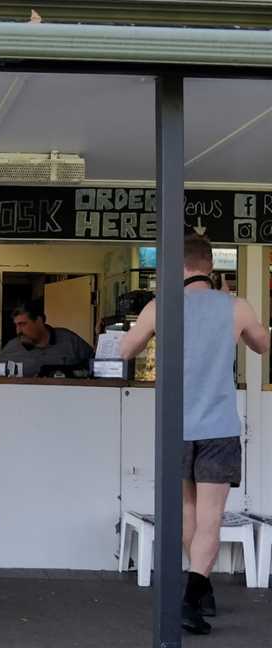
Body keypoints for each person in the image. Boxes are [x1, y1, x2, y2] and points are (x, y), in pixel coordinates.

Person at [120, 234, 269, 635]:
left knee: (188, 512)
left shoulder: (160, 307)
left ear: (175, 268)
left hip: (177, 426)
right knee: (211, 517)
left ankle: (198, 588)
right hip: (219, 426)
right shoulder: (236, 306)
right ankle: (195, 592)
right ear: (210, 265)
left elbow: (124, 351)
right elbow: (262, 345)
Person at [0, 301, 94, 377]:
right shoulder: (11, 348)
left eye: (22, 324)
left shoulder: (69, 340)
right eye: (16, 325)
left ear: (39, 320)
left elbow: (96, 366)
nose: (18, 331)